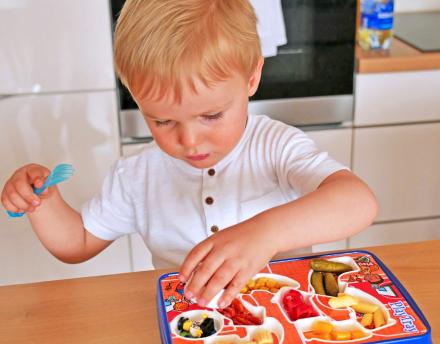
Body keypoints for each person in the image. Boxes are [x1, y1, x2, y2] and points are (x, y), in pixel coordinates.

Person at [0, 0, 378, 309]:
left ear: (251, 77)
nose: (190, 140)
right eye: (163, 121)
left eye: (211, 115)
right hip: (189, 328)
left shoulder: (275, 146)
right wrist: (43, 202)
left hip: (288, 321)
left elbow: (357, 202)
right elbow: (77, 243)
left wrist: (264, 233)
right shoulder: (137, 175)